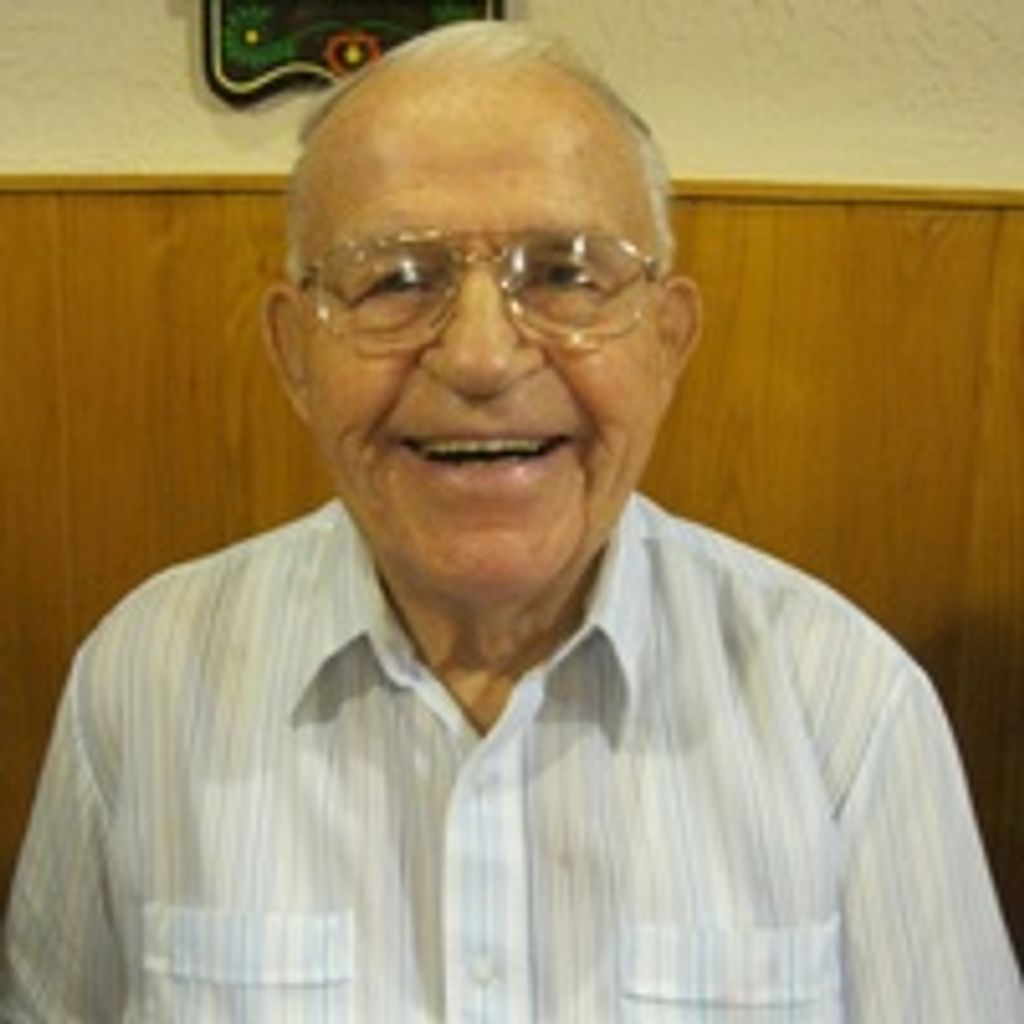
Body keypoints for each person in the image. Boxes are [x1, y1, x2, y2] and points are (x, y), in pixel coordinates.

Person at [2, 21, 1020, 1023]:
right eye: (396, 279)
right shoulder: (141, 682)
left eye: (565, 273)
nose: (482, 358)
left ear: (667, 343)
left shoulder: (847, 707)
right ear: (293, 353)